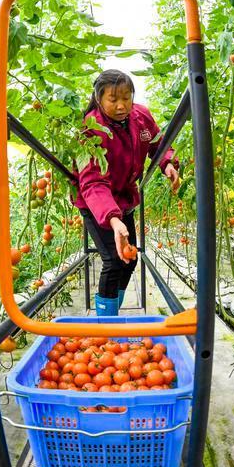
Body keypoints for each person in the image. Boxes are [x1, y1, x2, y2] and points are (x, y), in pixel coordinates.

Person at [73, 69, 180, 315]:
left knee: (129, 259)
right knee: (113, 259)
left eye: (127, 97)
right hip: (96, 203)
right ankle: (106, 327)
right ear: (99, 99)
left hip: (125, 199)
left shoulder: (141, 116)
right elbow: (92, 181)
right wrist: (113, 219)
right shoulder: (90, 130)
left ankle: (111, 312)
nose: (122, 105)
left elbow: (158, 144)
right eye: (113, 99)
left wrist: (168, 163)